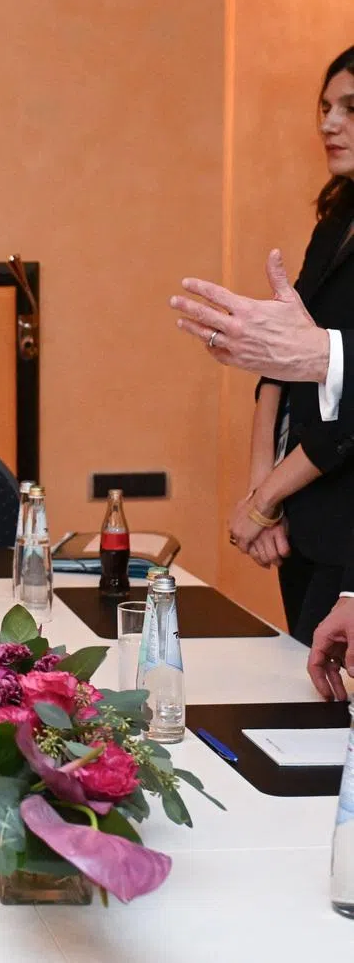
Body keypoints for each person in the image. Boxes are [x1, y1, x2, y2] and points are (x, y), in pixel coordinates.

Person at [170, 45, 354, 650]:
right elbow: (280, 363)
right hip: (303, 512)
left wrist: (268, 497)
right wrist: (260, 489)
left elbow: (344, 392)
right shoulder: (335, 218)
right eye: (325, 108)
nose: (328, 124)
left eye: (350, 108)